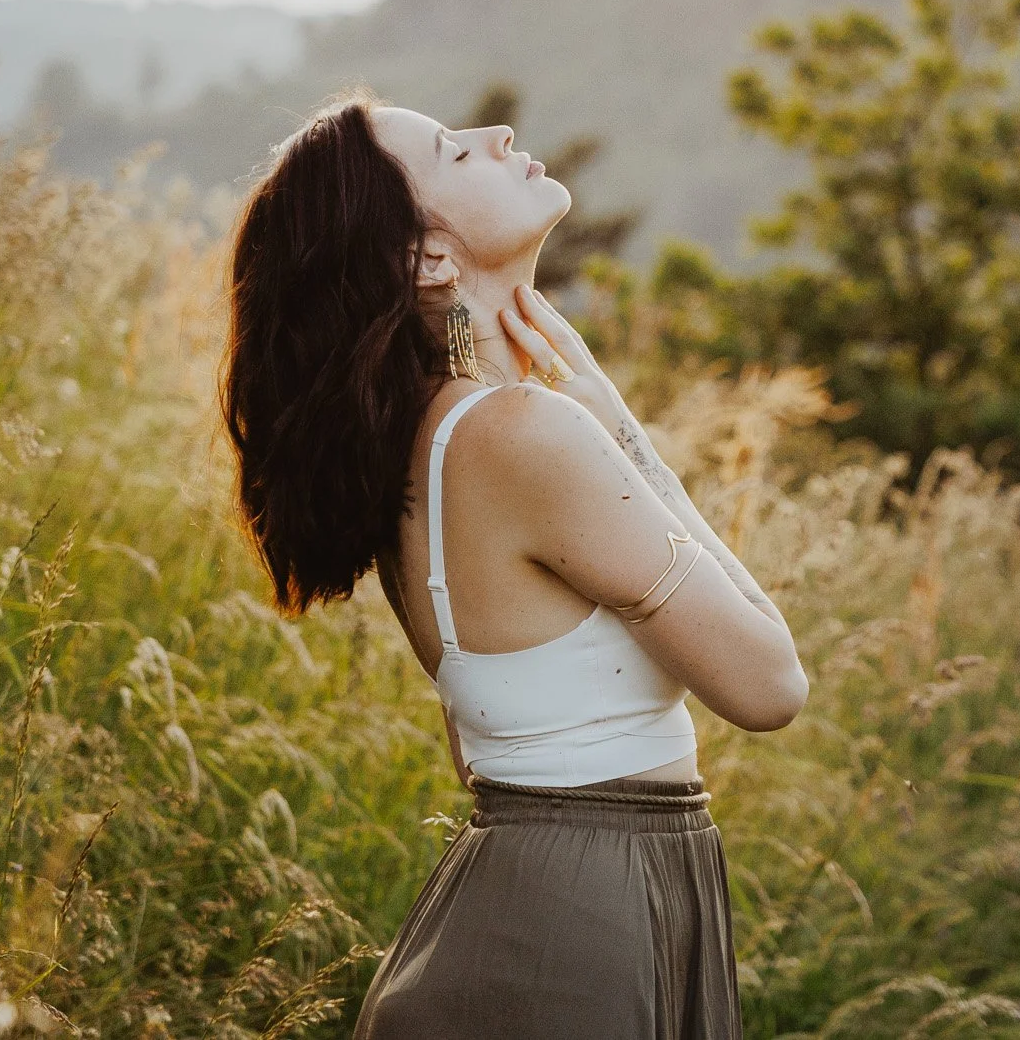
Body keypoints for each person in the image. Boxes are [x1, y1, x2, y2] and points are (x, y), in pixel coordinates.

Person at [220, 95, 808, 1039]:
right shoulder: (522, 433)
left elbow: (484, 746)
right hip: (578, 934)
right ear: (428, 259)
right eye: (456, 151)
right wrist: (622, 428)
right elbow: (771, 683)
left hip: (529, 907)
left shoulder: (422, 444)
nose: (497, 137)